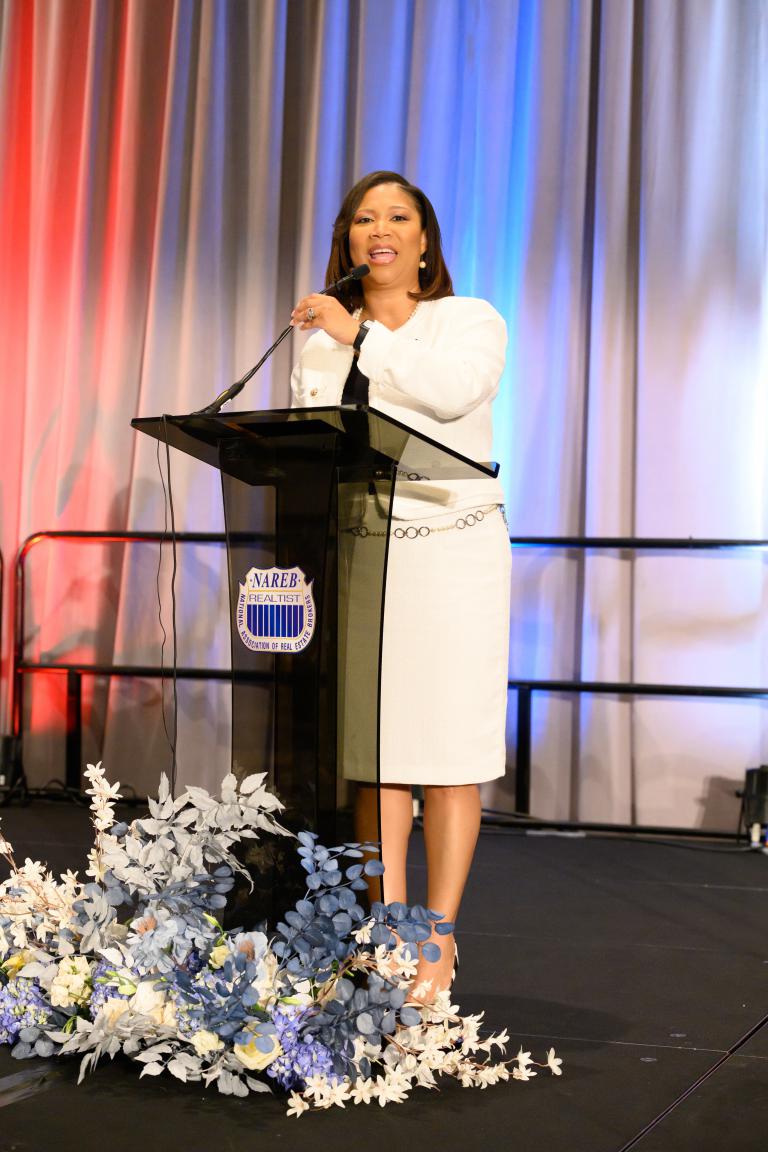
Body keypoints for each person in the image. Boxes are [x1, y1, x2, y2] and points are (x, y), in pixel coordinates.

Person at [289, 171, 510, 1000]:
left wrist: (359, 335)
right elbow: (314, 447)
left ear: (424, 241)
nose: (378, 229)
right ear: (347, 240)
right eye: (363, 219)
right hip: (361, 554)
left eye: (397, 217)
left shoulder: (468, 320)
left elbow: (451, 395)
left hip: (452, 554)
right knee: (377, 756)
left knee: (447, 753)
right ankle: (389, 929)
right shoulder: (319, 343)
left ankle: (438, 938)